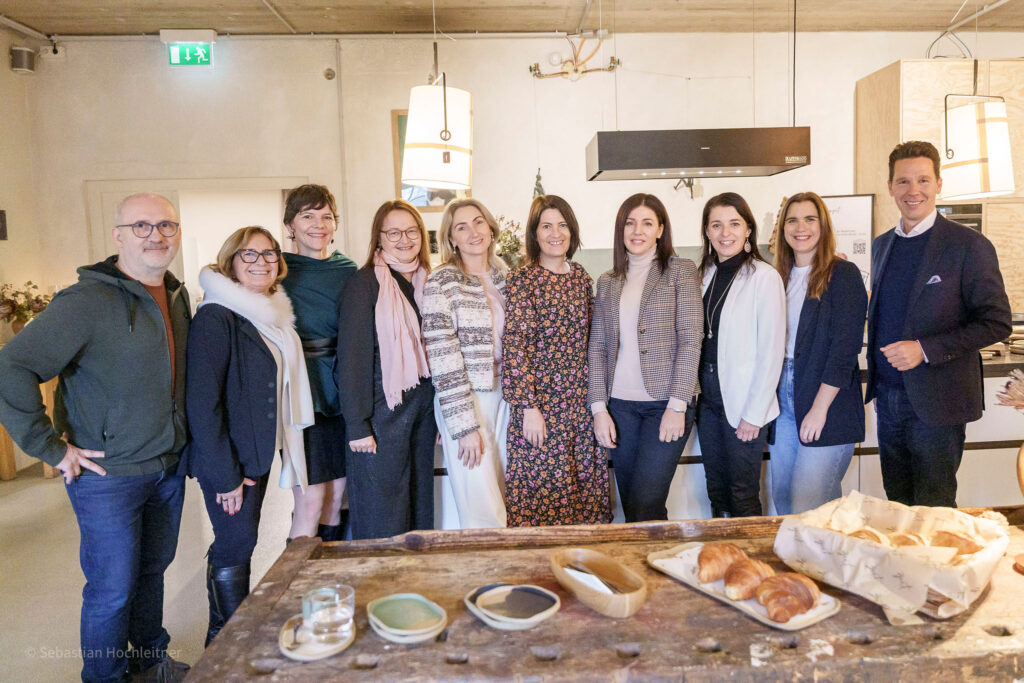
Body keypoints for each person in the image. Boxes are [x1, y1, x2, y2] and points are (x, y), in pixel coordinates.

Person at [0, 193, 190, 682]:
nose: (156, 235)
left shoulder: (174, 294)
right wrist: (50, 447)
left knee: (151, 576)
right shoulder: (85, 301)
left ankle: (151, 663)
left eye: (166, 225)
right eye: (142, 226)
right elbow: (12, 366)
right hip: (108, 477)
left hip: (166, 468)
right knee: (112, 589)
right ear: (118, 236)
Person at [184, 226, 313, 645]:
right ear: (231, 262)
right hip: (229, 459)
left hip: (252, 452)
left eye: (269, 253)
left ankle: (220, 634)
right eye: (249, 254)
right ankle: (230, 637)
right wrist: (225, 476)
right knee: (237, 543)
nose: (261, 261)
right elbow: (203, 406)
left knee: (237, 541)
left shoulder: (268, 315)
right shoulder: (216, 316)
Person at [866, 140, 1011, 507]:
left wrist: (925, 350)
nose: (913, 191)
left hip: (938, 401)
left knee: (935, 507)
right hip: (889, 398)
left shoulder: (968, 245)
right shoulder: (882, 246)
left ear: (938, 184)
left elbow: (996, 322)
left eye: (923, 181)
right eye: (903, 182)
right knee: (897, 502)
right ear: (890, 187)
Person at [588, 193, 703, 522]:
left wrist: (677, 405)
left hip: (665, 404)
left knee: (646, 502)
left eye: (647, 223)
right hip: (619, 407)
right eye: (630, 223)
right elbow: (597, 348)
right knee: (633, 506)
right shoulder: (608, 282)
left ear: (660, 229)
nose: (637, 230)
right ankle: (644, 569)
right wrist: (598, 409)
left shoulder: (680, 271)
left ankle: (654, 571)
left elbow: (690, 339)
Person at [502, 195, 612, 526]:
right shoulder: (522, 280)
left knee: (584, 502)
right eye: (546, 225)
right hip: (541, 408)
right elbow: (514, 345)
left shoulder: (580, 276)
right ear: (535, 233)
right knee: (542, 502)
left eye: (562, 225)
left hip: (580, 406)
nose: (555, 233)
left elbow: (595, 341)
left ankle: (581, 573)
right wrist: (527, 408)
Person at [337, 200, 437, 538]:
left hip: (423, 409)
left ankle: (414, 584)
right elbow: (352, 359)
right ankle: (379, 586)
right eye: (393, 232)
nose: (404, 239)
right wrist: (357, 425)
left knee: (419, 507)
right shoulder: (364, 284)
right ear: (379, 238)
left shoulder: (429, 283)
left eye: (411, 231)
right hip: (381, 413)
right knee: (382, 512)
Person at [768, 192, 868, 514]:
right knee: (783, 503)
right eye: (792, 220)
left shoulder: (843, 274)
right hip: (783, 403)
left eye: (810, 219)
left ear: (823, 225)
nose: (801, 227)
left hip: (826, 400)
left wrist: (819, 408)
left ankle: (825, 566)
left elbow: (844, 349)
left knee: (808, 506)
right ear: (782, 229)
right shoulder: (777, 278)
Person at [696, 192, 786, 518]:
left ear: (748, 229)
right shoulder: (703, 274)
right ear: (706, 231)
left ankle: (751, 567)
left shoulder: (764, 277)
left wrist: (754, 413)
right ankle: (722, 564)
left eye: (734, 223)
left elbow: (771, 350)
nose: (725, 233)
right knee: (716, 490)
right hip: (709, 404)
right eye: (716, 225)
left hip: (745, 405)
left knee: (742, 494)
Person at [422, 198, 509, 528]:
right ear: (451, 238)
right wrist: (463, 425)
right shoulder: (442, 281)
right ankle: (491, 576)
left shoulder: (505, 277)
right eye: (462, 227)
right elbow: (442, 357)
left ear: (490, 227)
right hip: (468, 398)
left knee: (501, 494)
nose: (473, 232)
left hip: (507, 397)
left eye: (478, 222)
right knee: (480, 502)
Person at [279, 184, 357, 542]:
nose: (318, 224)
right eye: (307, 216)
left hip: (342, 390)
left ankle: (325, 580)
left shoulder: (349, 270)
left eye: (326, 216)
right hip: (300, 393)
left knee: (337, 496)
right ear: (290, 225)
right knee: (310, 498)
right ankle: (294, 587)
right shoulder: (276, 271)